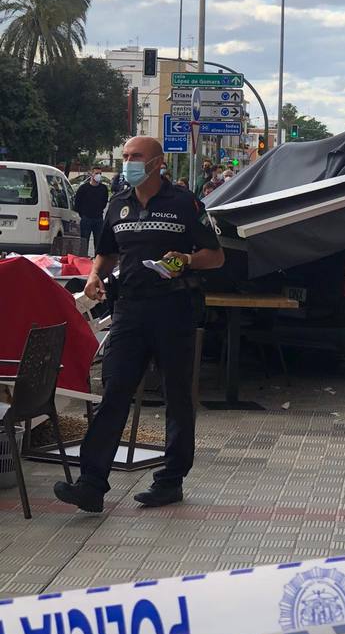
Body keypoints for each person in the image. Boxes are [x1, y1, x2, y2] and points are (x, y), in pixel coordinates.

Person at [54, 136, 224, 513]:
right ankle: (91, 484)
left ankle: (170, 480)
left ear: (158, 163)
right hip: (129, 310)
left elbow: (215, 256)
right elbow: (107, 252)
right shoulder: (118, 204)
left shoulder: (185, 203)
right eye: (126, 156)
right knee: (113, 393)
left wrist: (187, 260)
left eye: (136, 157)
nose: (129, 162)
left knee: (176, 397)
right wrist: (95, 275)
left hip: (173, 309)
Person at [73, 167, 109, 251]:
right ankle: (83, 258)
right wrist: (83, 214)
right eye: (96, 173)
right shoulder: (83, 188)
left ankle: (97, 259)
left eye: (100, 173)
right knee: (84, 241)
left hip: (98, 218)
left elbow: (104, 202)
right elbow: (77, 203)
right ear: (91, 174)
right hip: (86, 218)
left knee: (99, 241)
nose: (98, 175)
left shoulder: (103, 188)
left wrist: (99, 210)